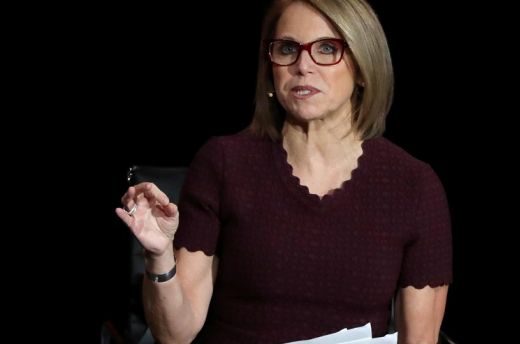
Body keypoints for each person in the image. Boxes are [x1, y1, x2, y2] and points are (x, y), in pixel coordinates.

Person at [117, 0, 452, 343]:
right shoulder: (223, 163)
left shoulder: (414, 186)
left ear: (365, 67)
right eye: (288, 48)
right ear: (270, 67)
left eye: (326, 48)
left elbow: (420, 339)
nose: (302, 65)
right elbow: (175, 334)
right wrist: (159, 256)